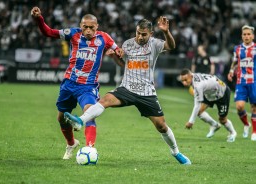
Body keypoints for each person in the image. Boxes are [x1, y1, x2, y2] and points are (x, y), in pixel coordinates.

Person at [65, 17, 191, 165]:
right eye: (138, 33)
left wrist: (166, 32)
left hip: (146, 92)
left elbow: (171, 46)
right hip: (127, 88)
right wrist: (114, 58)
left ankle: (176, 152)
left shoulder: (155, 44)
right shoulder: (128, 44)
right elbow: (124, 64)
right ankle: (81, 120)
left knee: (161, 126)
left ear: (150, 33)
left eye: (144, 34)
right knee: (104, 100)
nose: (140, 36)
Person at [31, 7, 124, 160]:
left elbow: (121, 62)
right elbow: (48, 32)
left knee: (90, 113)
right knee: (61, 118)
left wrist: (114, 56)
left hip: (88, 86)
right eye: (85, 27)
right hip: (69, 83)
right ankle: (71, 143)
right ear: (81, 26)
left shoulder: (105, 38)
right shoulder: (73, 34)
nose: (88, 30)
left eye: (91, 27)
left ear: (97, 26)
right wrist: (39, 19)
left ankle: (89, 149)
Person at [180, 68, 237, 142]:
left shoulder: (198, 85)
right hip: (210, 93)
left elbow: (197, 105)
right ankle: (214, 125)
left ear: (191, 76)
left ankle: (233, 133)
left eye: (185, 80)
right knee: (199, 112)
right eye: (182, 81)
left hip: (222, 93)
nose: (184, 83)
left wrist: (191, 122)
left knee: (222, 120)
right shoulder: (193, 77)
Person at [227, 25, 256, 141]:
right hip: (241, 81)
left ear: (253, 36)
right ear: (242, 36)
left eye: (249, 34)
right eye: (244, 34)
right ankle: (246, 124)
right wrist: (231, 71)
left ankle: (254, 132)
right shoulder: (237, 48)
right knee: (239, 106)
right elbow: (235, 61)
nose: (247, 36)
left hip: (254, 81)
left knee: (254, 107)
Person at [188, 44, 221, 138]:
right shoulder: (196, 57)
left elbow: (212, 66)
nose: (198, 50)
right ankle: (214, 125)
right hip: (199, 83)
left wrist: (211, 74)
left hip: (208, 84)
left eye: (199, 49)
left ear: (203, 49)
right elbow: (193, 67)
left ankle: (216, 125)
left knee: (199, 108)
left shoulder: (208, 57)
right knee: (199, 110)